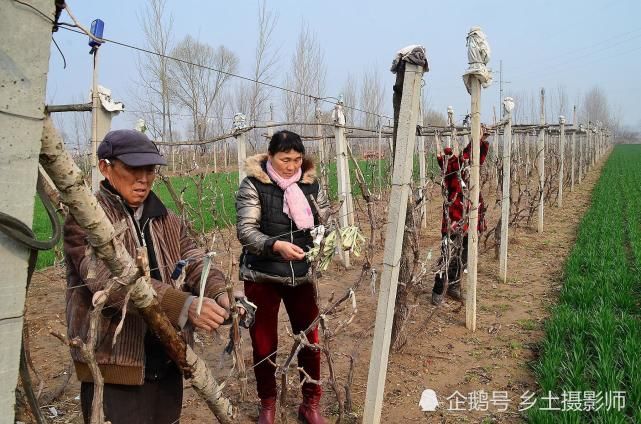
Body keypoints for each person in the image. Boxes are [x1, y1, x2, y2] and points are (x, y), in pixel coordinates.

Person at [64, 129, 232, 424]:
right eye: (132, 168)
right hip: (115, 363)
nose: (143, 179)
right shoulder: (87, 219)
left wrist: (219, 291)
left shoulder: (166, 218)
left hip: (167, 356)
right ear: (105, 167)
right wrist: (183, 305)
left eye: (150, 170)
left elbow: (192, 258)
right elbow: (106, 279)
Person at [236, 130, 329, 424]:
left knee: (310, 339)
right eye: (284, 159)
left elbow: (326, 220)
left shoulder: (310, 185)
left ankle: (310, 404)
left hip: (301, 274)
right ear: (270, 156)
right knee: (264, 343)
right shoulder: (253, 184)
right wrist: (274, 245)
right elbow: (246, 231)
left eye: (297, 159)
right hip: (262, 275)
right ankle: (268, 404)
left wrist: (326, 241)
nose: (291, 166)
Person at [432, 127, 490, 305]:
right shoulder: (451, 172)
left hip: (468, 219)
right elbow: (450, 160)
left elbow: (473, 155)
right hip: (452, 220)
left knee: (463, 255)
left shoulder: (469, 168)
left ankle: (454, 286)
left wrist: (478, 139)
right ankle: (438, 289)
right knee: (448, 254)